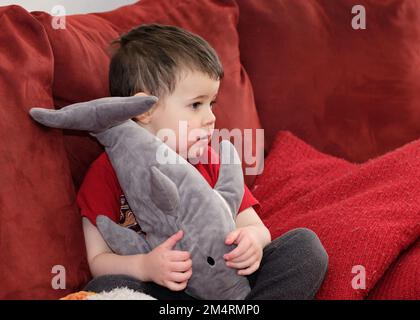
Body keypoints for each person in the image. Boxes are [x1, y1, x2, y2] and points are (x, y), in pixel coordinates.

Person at [78, 23, 328, 300]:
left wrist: (253, 241)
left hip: (229, 280)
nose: (211, 118)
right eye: (196, 104)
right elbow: (98, 259)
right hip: (169, 292)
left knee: (305, 247)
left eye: (212, 104)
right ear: (144, 109)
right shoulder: (107, 172)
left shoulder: (212, 161)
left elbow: (254, 226)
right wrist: (145, 267)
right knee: (102, 289)